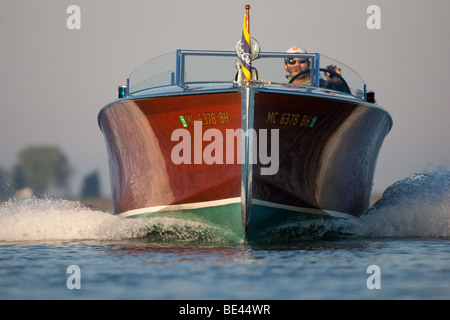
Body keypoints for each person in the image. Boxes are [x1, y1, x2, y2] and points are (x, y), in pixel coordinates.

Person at [284, 46, 349, 93]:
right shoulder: (280, 89)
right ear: (286, 67)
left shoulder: (323, 87)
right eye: (292, 61)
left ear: (309, 64)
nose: (297, 65)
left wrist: (337, 84)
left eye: (302, 60)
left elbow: (344, 104)